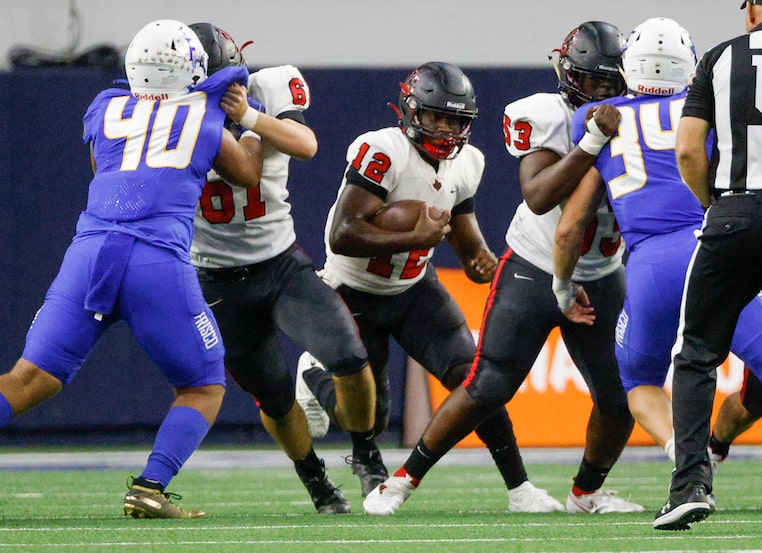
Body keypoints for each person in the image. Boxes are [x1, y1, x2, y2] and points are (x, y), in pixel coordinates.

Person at [360, 24, 645, 516]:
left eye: (607, 83)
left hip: (600, 270)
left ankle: (587, 491)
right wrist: (593, 140)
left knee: (620, 398)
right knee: (488, 384)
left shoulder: (652, 117)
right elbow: (538, 196)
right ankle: (401, 481)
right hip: (536, 263)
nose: (598, 93)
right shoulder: (547, 115)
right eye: (589, 81)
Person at [0, 19, 263, 518]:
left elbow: (107, 168)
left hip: (91, 252)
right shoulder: (205, 114)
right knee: (203, 385)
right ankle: (150, 486)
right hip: (156, 260)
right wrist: (255, 123)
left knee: (30, 378)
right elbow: (246, 174)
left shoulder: (103, 106)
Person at [554, 18, 762, 492]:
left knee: (639, 382)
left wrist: (562, 286)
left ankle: (690, 464)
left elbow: (568, 229)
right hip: (715, 248)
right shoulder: (707, 104)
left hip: (648, 266)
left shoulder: (596, 118)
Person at [297, 61, 559, 512]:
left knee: (476, 380)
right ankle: (320, 384)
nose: (446, 127)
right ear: (411, 111)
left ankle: (520, 489)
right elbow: (342, 233)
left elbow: (462, 227)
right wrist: (412, 237)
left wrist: (478, 259)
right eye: (436, 116)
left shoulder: (468, 163)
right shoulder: (382, 150)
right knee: (369, 416)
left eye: (456, 119)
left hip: (415, 289)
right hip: (353, 289)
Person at [654, 0, 762, 530]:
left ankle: (689, 484)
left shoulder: (719, 57)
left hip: (733, 215)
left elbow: (687, 149)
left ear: (750, 10)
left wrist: (716, 206)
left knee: (695, 354)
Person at [188, 23, 378, 515]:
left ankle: (365, 453)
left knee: (350, 357)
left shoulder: (266, 89)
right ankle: (315, 480)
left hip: (279, 264)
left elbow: (307, 144)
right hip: (216, 278)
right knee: (272, 397)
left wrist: (247, 113)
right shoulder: (166, 116)